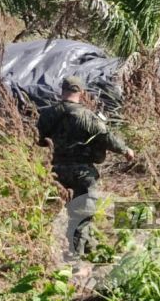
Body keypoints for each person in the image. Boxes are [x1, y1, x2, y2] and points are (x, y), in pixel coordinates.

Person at [37, 75, 134, 257]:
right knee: (82, 214)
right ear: (81, 92)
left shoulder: (48, 114)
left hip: (56, 171)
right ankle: (77, 258)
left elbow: (40, 140)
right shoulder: (87, 116)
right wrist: (125, 150)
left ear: (62, 90)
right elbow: (106, 137)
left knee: (64, 213)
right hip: (82, 172)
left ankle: (84, 248)